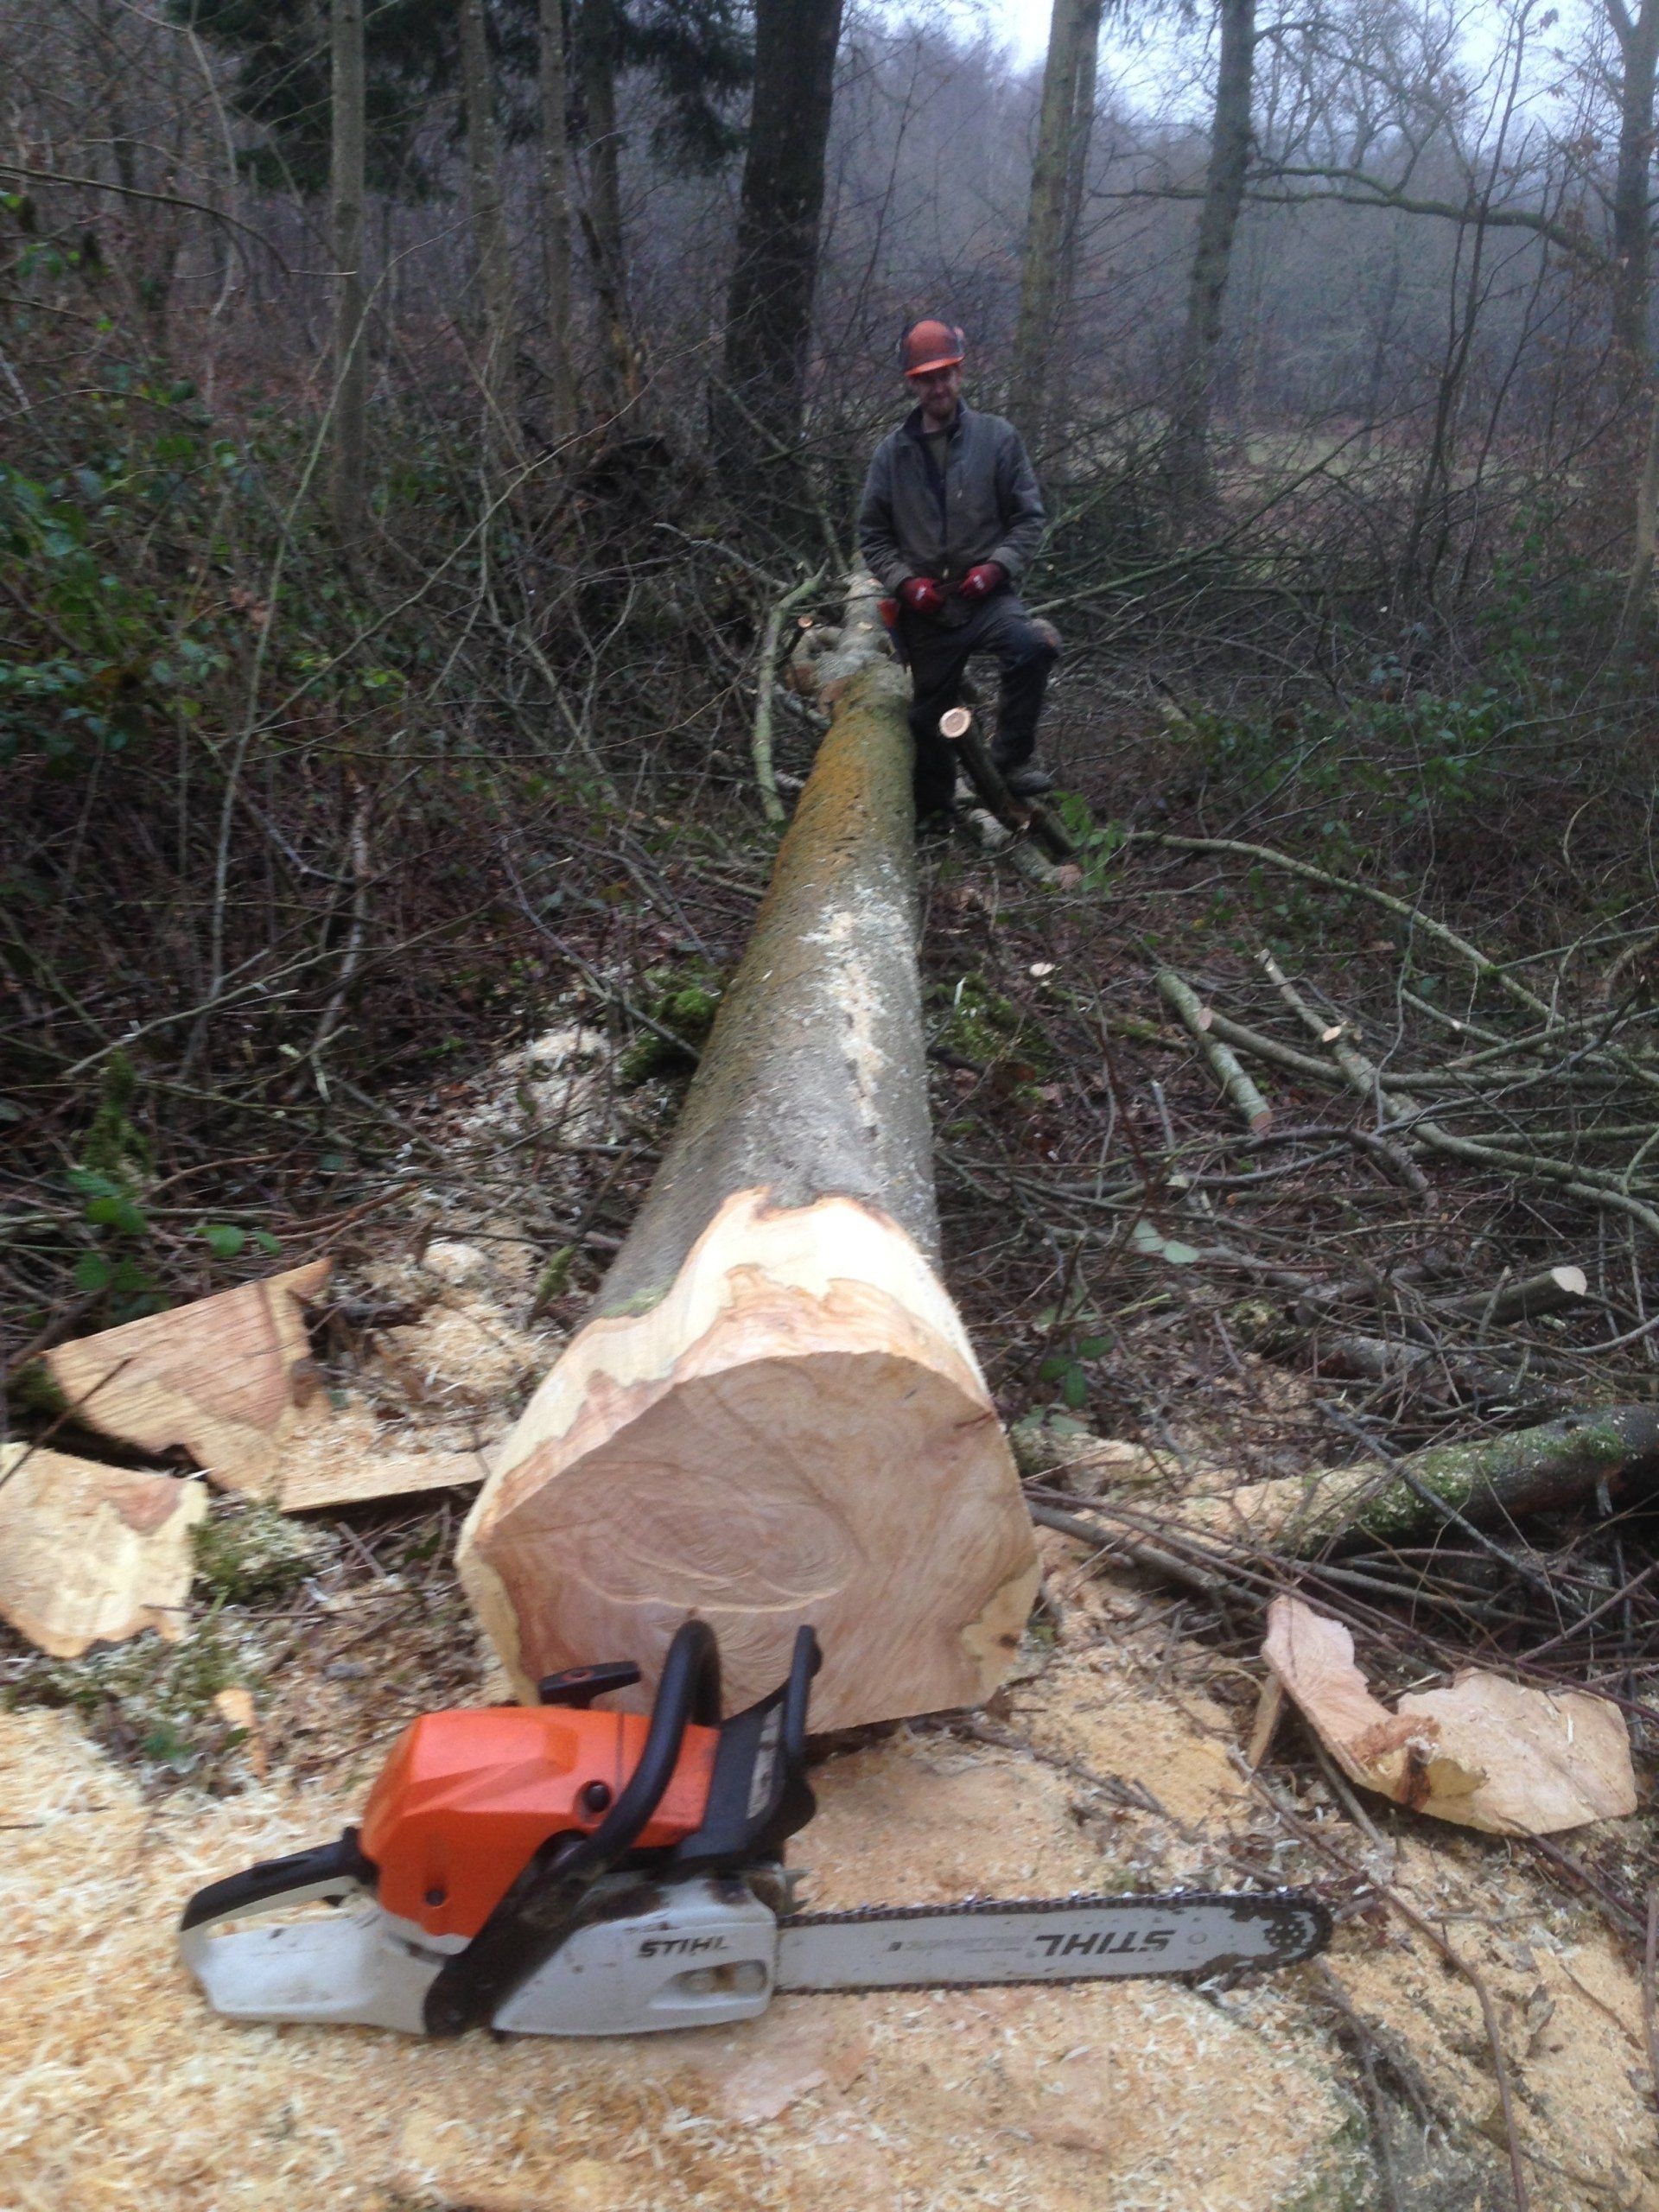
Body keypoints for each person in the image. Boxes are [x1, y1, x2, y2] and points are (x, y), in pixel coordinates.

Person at [856, 318, 1058, 826]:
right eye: (927, 379)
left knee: (1031, 646)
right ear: (912, 383)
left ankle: (1012, 759)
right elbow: (873, 536)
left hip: (986, 597)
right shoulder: (892, 454)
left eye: (945, 375)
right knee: (928, 717)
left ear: (960, 374)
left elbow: (1029, 519)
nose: (938, 387)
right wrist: (905, 584)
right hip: (927, 607)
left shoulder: (998, 438)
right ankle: (938, 815)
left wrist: (997, 567)